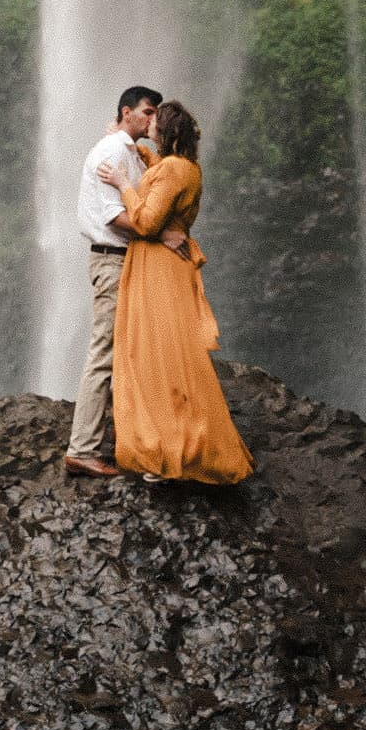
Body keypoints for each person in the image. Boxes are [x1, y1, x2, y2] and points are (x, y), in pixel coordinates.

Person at [98, 99, 254, 486]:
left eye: (154, 120)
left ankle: (167, 449)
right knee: (171, 352)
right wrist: (138, 152)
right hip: (167, 267)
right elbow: (164, 178)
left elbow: (148, 222)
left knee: (157, 355)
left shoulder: (171, 170)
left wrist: (122, 185)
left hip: (157, 269)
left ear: (165, 131)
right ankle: (179, 440)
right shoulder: (187, 168)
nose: (148, 123)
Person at [62, 84, 162, 478]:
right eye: (147, 112)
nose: (153, 119)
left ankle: (125, 442)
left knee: (127, 353)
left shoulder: (127, 152)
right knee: (105, 353)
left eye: (156, 114)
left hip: (126, 263)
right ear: (126, 112)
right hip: (112, 262)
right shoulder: (111, 153)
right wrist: (158, 233)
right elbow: (112, 216)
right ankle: (82, 449)